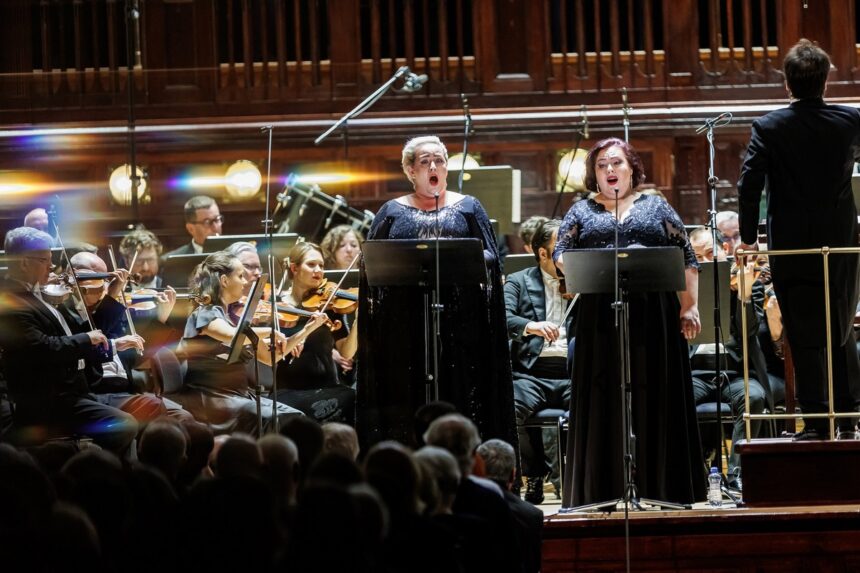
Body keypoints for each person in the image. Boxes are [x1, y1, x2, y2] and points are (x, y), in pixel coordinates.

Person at [553, 137, 706, 507]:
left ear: (632, 169)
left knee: (654, 390)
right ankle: (602, 489)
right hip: (599, 315)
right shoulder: (581, 210)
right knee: (603, 391)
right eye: (602, 164)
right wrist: (595, 267)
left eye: (617, 163)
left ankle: (661, 487)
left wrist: (689, 306)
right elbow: (560, 255)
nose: (609, 169)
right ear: (594, 173)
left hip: (654, 312)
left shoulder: (656, 205)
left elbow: (686, 257)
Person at [357, 135, 516, 451]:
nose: (433, 166)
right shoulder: (390, 211)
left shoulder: (469, 206)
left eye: (439, 160)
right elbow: (371, 265)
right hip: (405, 323)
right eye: (424, 161)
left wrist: (462, 255)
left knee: (460, 387)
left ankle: (461, 458)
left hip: (461, 321)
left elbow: (491, 257)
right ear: (410, 171)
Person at [737, 39, 860, 440]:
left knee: (804, 331)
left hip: (792, 245)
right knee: (841, 326)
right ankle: (848, 416)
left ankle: (818, 422)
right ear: (825, 81)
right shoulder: (850, 120)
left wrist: (748, 237)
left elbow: (749, 184)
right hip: (840, 242)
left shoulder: (769, 126)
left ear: (787, 84)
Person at [0, 227, 138, 453]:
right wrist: (87, 338)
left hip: (74, 392)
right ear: (24, 263)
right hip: (49, 400)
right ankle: (92, 467)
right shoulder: (12, 301)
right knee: (124, 425)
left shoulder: (41, 296)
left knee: (136, 419)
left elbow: (88, 333)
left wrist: (112, 295)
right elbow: (42, 347)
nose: (52, 266)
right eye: (45, 260)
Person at [172, 251, 325, 434]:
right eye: (240, 276)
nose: (245, 282)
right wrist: (269, 331)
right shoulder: (205, 312)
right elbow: (231, 335)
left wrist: (307, 330)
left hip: (240, 396)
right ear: (224, 281)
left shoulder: (232, 319)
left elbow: (270, 358)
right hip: (212, 399)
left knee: (297, 418)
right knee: (275, 420)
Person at [687, 226, 772, 488]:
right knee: (673, 397)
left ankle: (737, 474)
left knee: (753, 397)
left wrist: (742, 296)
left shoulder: (748, 284)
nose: (705, 262)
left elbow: (750, 332)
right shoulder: (686, 289)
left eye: (709, 254)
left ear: (724, 250)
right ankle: (695, 473)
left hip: (735, 370)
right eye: (697, 258)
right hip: (697, 371)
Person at [504, 218, 573, 504]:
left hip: (572, 372)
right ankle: (533, 473)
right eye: (561, 248)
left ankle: (579, 478)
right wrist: (531, 326)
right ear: (542, 253)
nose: (568, 254)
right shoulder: (519, 280)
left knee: (598, 406)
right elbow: (502, 316)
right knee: (509, 411)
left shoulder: (582, 280)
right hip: (531, 373)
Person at [273, 242, 357, 424]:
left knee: (356, 400)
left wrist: (359, 319)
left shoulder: (330, 305)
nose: (318, 270)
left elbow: (346, 352)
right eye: (311, 264)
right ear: (294, 268)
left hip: (327, 387)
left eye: (321, 265)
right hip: (289, 391)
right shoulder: (276, 305)